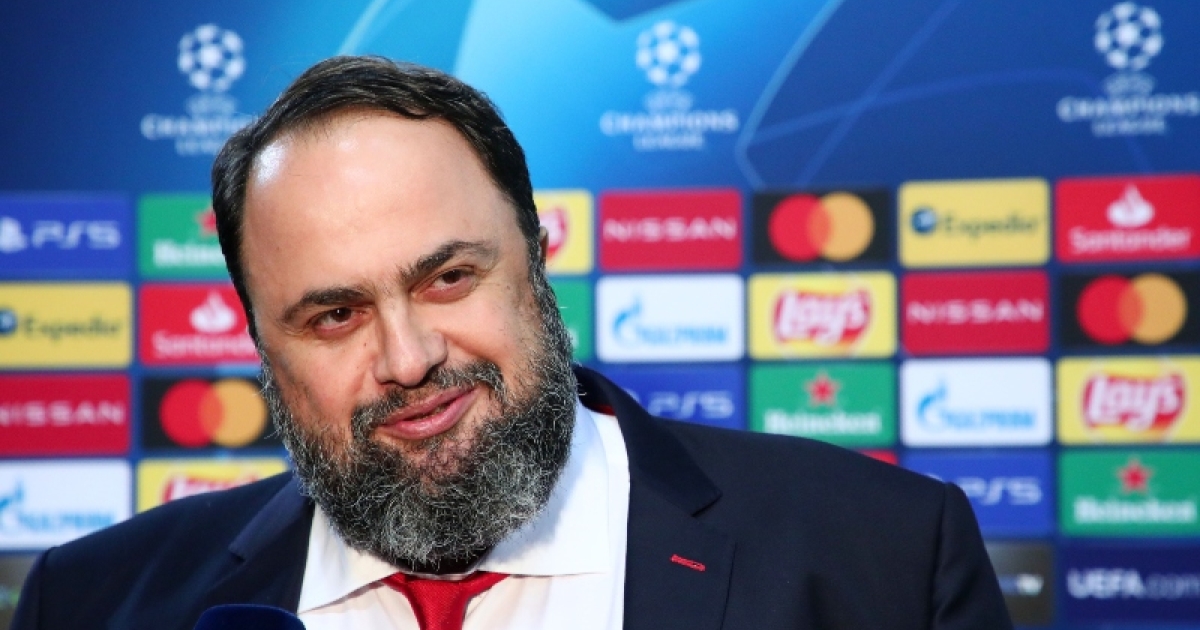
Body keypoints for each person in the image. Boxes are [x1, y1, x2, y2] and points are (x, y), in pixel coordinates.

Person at [13, 56, 1012, 630]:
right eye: (335, 315)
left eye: (447, 277)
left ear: (536, 257)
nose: (409, 358)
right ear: (261, 348)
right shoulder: (97, 605)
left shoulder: (880, 560)